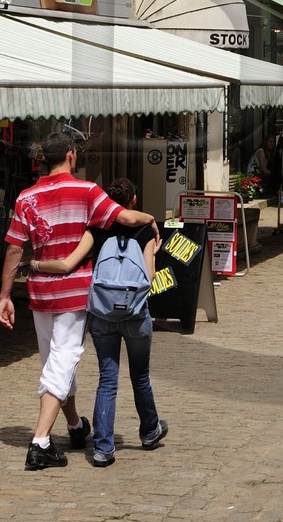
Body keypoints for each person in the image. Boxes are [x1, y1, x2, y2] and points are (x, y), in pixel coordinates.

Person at [0, 132, 159, 471]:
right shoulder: (87, 191)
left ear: (44, 159)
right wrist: (151, 220)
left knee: (55, 363)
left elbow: (14, 248)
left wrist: (5, 295)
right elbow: (125, 218)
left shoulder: (27, 197)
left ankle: (74, 425)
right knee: (63, 361)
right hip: (73, 293)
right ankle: (40, 442)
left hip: (40, 293)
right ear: (71, 155)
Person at [31, 178, 168, 468]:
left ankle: (103, 448)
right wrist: (153, 254)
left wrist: (36, 265)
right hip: (135, 314)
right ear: (133, 200)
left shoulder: (97, 229)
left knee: (107, 379)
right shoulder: (145, 231)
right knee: (140, 376)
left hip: (103, 315)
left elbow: (68, 264)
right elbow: (149, 277)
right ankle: (149, 431)